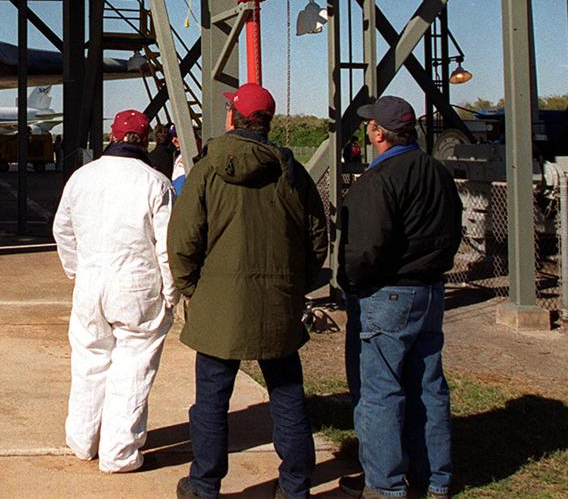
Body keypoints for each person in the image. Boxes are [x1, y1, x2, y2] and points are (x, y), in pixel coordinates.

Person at [169, 83, 329, 499]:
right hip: (278, 300)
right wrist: (297, 286)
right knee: (287, 394)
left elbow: (183, 240)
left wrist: (190, 288)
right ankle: (295, 487)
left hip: (218, 302)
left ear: (231, 119)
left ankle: (204, 484)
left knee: (212, 400)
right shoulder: (292, 172)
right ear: (269, 122)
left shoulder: (205, 170)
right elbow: (317, 237)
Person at [338, 96, 462, 499]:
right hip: (430, 291)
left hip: (387, 294)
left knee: (380, 392)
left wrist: (352, 284)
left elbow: (365, 249)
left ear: (378, 134)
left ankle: (385, 484)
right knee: (428, 387)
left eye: (370, 126)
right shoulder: (437, 173)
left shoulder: (378, 180)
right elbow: (453, 229)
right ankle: (435, 479)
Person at [52, 109, 179, 473]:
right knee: (132, 368)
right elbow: (166, 247)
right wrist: (171, 293)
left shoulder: (82, 177)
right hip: (137, 286)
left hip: (91, 283)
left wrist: (77, 270)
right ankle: (119, 453)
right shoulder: (156, 183)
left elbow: (63, 230)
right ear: (145, 139)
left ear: (113, 134)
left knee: (89, 361)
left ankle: (82, 440)